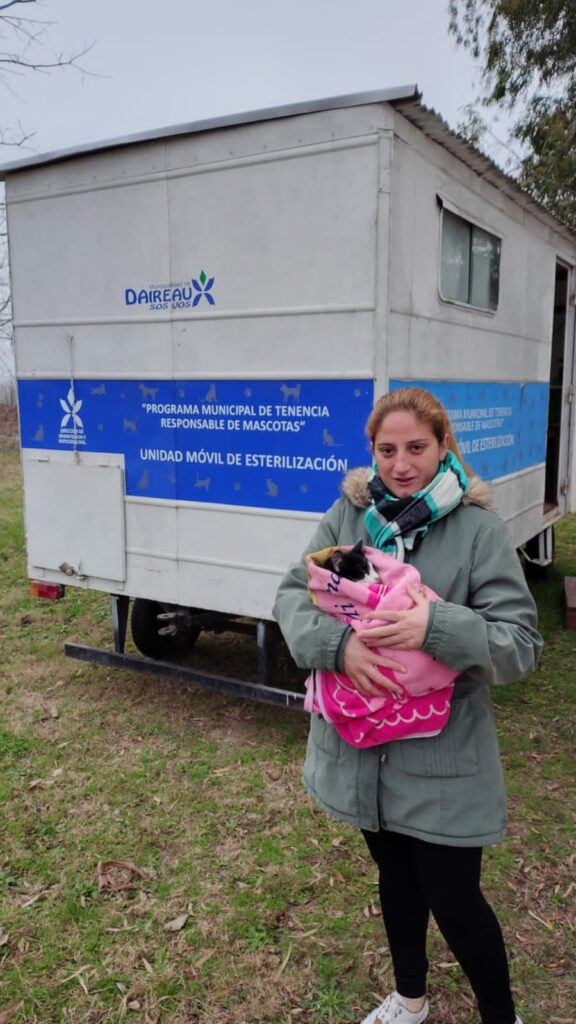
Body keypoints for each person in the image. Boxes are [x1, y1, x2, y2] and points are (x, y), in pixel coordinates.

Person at [273, 386, 542, 1024]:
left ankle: (501, 1016)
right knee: (395, 879)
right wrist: (340, 648)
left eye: (416, 448)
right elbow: (291, 596)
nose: (401, 465)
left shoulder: (477, 531)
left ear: (443, 446)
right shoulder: (349, 516)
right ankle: (410, 999)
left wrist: (435, 627)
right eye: (387, 450)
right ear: (372, 451)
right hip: (361, 749)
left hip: (441, 754)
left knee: (454, 899)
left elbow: (520, 644)